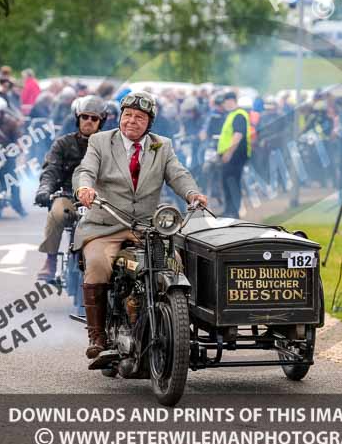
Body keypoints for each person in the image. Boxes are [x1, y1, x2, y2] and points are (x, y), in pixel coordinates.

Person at [72, 91, 207, 360]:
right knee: (98, 264)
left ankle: (175, 327)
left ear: (149, 123)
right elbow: (86, 169)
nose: (132, 121)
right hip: (104, 224)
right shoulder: (100, 141)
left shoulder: (162, 146)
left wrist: (193, 194)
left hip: (145, 226)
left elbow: (178, 174)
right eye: (128, 115)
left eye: (140, 117)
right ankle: (97, 336)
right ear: (120, 117)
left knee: (175, 262)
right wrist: (84, 188)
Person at [34, 96, 105, 281]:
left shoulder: (109, 145)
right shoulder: (62, 143)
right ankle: (50, 261)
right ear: (77, 118)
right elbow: (51, 169)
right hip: (67, 195)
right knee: (57, 213)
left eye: (94, 118)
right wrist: (44, 189)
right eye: (85, 117)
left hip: (99, 198)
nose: (89, 121)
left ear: (101, 121)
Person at [217, 91, 251, 218]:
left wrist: (228, 152)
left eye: (226, 102)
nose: (225, 105)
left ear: (231, 101)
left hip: (235, 155)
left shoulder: (239, 115)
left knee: (232, 183)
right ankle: (229, 211)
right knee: (227, 182)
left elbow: (238, 135)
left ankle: (233, 212)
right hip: (232, 155)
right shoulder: (233, 114)